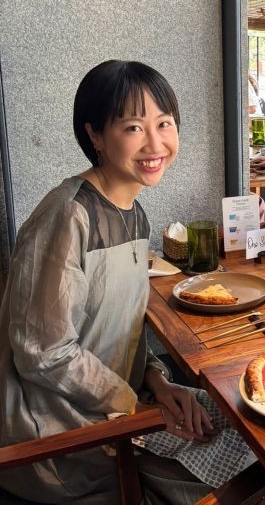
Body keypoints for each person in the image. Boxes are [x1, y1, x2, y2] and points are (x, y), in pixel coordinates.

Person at [0, 60, 218, 503]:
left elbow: (122, 332)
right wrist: (135, 406)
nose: (155, 143)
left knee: (241, 423)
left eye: (164, 123)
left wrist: (160, 384)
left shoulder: (134, 213)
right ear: (96, 136)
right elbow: (44, 352)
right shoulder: (68, 215)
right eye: (133, 127)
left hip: (113, 407)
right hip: (58, 440)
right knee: (231, 470)